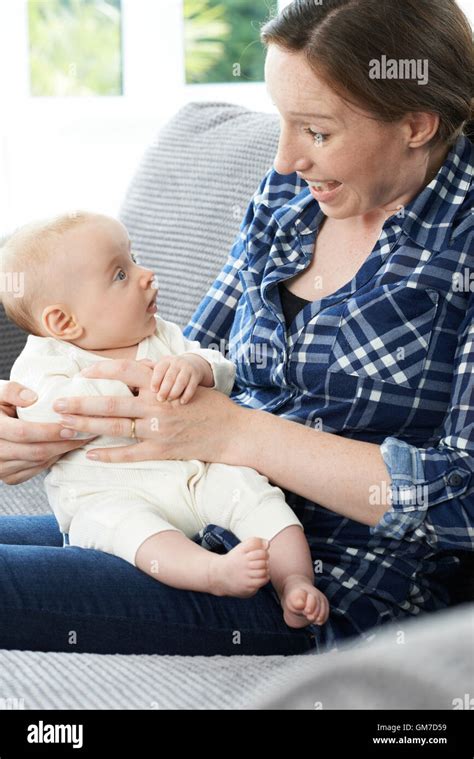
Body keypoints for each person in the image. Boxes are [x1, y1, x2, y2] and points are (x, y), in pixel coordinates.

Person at [0, 0, 472, 656]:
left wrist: (239, 431)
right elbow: (193, 350)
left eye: (316, 130)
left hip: (337, 574)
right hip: (188, 504)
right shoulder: (288, 200)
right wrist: (41, 425)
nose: (282, 160)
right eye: (281, 119)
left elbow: (466, 498)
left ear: (417, 124)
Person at [1, 211, 329, 629]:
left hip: (196, 476)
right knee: (125, 528)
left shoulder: (162, 336)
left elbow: (223, 372)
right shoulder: (46, 360)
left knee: (253, 494)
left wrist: (196, 366)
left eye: (134, 258)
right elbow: (48, 415)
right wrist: (130, 390)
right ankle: (214, 573)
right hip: (112, 495)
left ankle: (295, 582)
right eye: (120, 273)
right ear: (64, 322)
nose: (146, 274)